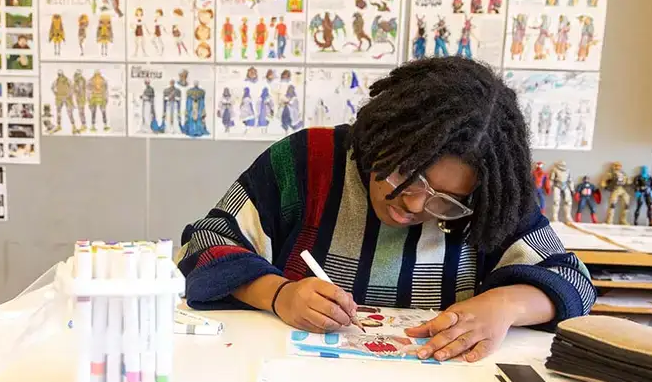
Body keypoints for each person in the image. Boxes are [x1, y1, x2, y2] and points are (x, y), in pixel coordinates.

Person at [176, 57, 595, 363]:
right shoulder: (310, 160)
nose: (411, 205)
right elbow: (208, 243)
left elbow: (573, 281)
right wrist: (279, 295)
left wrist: (506, 306)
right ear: (381, 138)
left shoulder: (488, 199)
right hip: (295, 380)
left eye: (443, 202)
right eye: (404, 175)